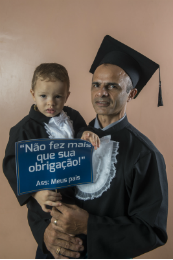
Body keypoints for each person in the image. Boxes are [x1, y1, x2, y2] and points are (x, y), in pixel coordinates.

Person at [29, 36, 168, 259]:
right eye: (96, 84)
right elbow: (37, 189)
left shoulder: (145, 155)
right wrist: (44, 232)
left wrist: (88, 225)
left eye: (112, 86)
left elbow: (151, 231)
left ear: (131, 94)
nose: (101, 92)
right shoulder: (66, 133)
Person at [3, 63, 100, 258]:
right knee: (56, 246)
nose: (51, 103)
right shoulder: (24, 129)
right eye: (43, 96)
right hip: (47, 200)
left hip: (76, 195)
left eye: (58, 96)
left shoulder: (72, 116)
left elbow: (81, 130)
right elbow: (11, 164)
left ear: (67, 96)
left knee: (81, 243)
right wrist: (35, 193)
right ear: (33, 94)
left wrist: (88, 132)